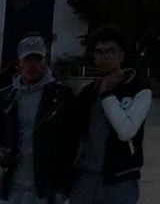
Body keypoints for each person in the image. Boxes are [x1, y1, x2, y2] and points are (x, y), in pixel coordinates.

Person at [72, 25, 151, 204]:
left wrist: (108, 95)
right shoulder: (88, 93)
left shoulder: (139, 90)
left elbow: (126, 131)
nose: (104, 57)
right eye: (99, 52)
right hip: (85, 179)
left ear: (121, 54)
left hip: (120, 180)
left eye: (110, 51)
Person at [0, 33, 76, 204]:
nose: (32, 65)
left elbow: (70, 147)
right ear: (19, 63)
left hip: (44, 190)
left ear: (45, 62)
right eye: (27, 60)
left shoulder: (62, 98)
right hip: (10, 187)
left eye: (37, 59)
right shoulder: (5, 98)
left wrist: (62, 189)